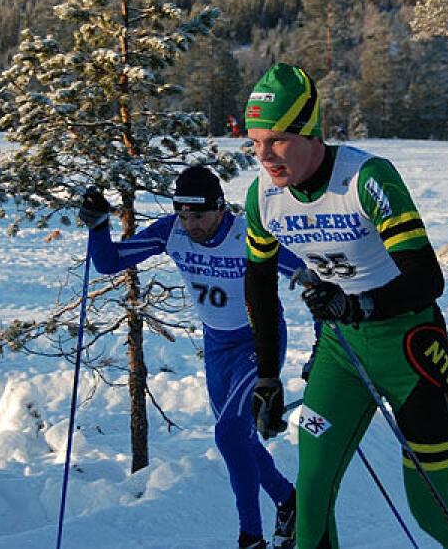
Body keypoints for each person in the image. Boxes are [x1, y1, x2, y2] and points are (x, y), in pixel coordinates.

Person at [242, 63, 448, 549]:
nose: (264, 155)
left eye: (277, 140)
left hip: (409, 347)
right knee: (309, 501)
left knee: (431, 510)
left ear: (310, 131)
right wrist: (267, 375)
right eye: (254, 142)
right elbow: (259, 285)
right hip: (341, 352)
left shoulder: (366, 179)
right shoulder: (263, 198)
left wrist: (362, 304)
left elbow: (427, 277)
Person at [78, 166, 299, 549]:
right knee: (239, 439)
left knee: (230, 433)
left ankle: (251, 537)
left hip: (258, 343)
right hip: (217, 346)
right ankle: (288, 501)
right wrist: (99, 226)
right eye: (183, 214)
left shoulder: (248, 234)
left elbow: (309, 271)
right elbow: (110, 261)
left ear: (219, 209)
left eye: (198, 215)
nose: (190, 224)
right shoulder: (172, 231)